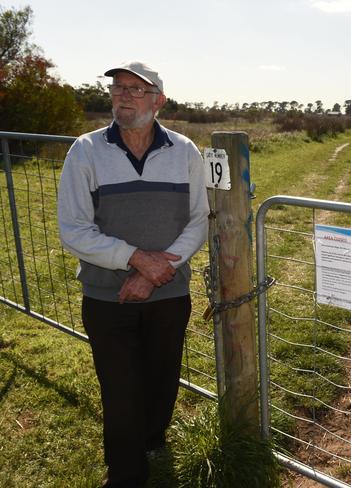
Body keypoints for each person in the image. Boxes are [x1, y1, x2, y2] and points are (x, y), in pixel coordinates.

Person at [57, 61, 209, 487]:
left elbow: (198, 220)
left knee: (162, 377)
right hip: (108, 296)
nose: (124, 95)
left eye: (137, 89)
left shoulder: (184, 151)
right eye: (118, 88)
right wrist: (136, 259)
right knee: (120, 386)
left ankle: (153, 439)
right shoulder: (86, 150)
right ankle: (126, 473)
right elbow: (74, 229)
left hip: (169, 292)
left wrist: (160, 268)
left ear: (158, 100)